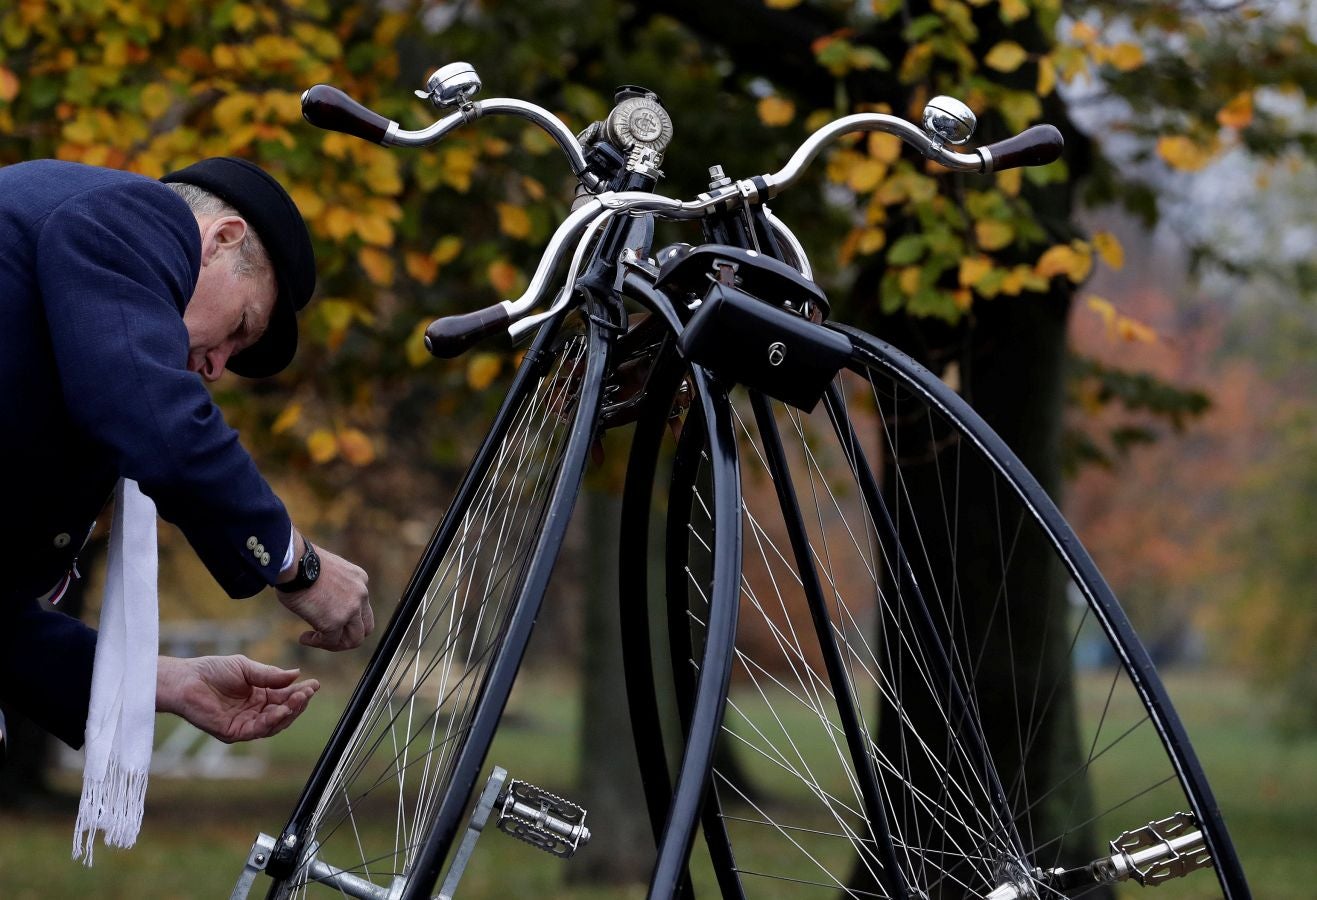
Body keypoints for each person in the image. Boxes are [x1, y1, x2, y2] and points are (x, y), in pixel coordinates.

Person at [0, 156, 374, 750]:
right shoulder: (143, 217)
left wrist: (169, 681)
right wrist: (295, 562)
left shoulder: (77, 340)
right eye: (239, 327)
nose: (216, 367)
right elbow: (156, 423)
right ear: (222, 239)